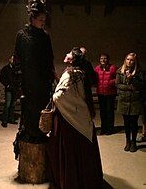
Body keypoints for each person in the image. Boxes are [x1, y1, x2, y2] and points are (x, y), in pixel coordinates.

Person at [47, 47, 103, 189]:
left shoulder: (70, 74)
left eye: (69, 53)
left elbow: (62, 96)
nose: (66, 54)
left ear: (72, 59)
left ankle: (71, 180)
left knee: (69, 148)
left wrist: (53, 97)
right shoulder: (80, 73)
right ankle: (86, 179)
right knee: (83, 148)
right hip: (81, 115)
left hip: (69, 118)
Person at [14, 0, 56, 144]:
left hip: (43, 82)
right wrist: (19, 82)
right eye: (40, 19)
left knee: (42, 110)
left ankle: (41, 134)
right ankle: (30, 135)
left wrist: (52, 76)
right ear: (32, 18)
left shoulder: (45, 36)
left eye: (44, 19)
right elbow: (17, 59)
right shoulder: (22, 35)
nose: (43, 22)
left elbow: (50, 58)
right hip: (29, 83)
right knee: (30, 111)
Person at [116, 52, 144, 152]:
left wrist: (132, 80)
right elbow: (118, 84)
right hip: (124, 100)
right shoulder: (120, 71)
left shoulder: (139, 72)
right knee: (126, 123)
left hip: (135, 101)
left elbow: (141, 85)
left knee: (134, 123)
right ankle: (127, 141)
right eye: (128, 59)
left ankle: (133, 142)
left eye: (131, 60)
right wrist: (129, 87)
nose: (129, 61)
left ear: (135, 61)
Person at [95, 53, 117, 135]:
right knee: (102, 112)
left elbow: (117, 78)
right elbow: (94, 78)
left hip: (110, 93)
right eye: (101, 58)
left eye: (104, 58)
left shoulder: (113, 68)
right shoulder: (97, 68)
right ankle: (103, 128)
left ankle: (110, 129)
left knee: (109, 111)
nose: (103, 60)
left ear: (108, 59)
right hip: (100, 93)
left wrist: (110, 83)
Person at [0, 55, 21, 128]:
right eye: (12, 59)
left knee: (13, 105)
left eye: (14, 59)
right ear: (9, 60)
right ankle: (4, 120)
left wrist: (18, 85)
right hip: (9, 89)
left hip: (15, 89)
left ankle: (11, 119)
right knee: (7, 104)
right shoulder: (5, 69)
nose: (13, 60)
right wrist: (7, 85)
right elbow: (1, 78)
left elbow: (19, 77)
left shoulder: (17, 69)